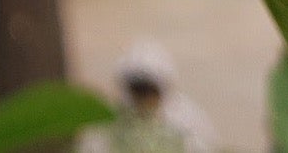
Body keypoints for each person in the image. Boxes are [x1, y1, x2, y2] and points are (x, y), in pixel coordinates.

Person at [79, 40, 220, 153]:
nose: (145, 98)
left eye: (150, 90)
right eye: (139, 90)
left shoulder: (186, 121)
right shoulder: (108, 126)